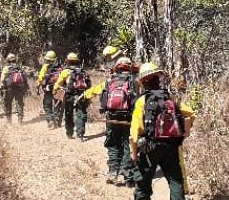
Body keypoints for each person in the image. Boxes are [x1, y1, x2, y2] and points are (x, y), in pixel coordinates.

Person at [130, 62, 195, 200]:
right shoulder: (171, 98)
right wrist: (183, 134)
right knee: (175, 181)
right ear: (158, 79)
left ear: (143, 82)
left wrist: (134, 154)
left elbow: (134, 134)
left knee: (143, 183)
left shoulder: (142, 101)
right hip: (171, 146)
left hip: (149, 147)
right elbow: (190, 114)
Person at [83, 56, 138, 186]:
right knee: (127, 145)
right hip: (128, 119)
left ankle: (113, 172)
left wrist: (83, 96)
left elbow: (98, 93)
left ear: (117, 67)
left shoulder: (109, 81)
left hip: (111, 118)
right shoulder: (135, 81)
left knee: (113, 144)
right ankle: (127, 175)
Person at [53, 52, 91, 141]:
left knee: (68, 114)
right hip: (82, 95)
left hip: (70, 95)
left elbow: (58, 83)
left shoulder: (66, 71)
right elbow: (88, 85)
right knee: (81, 114)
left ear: (68, 61)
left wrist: (55, 90)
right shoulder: (83, 71)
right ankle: (80, 134)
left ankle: (69, 133)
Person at [0, 53, 29, 124]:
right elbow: (24, 78)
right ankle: (20, 121)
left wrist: (1, 88)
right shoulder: (20, 68)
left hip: (9, 88)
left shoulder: (6, 68)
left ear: (8, 60)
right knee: (19, 104)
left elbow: (2, 79)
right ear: (15, 60)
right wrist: (26, 88)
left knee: (8, 103)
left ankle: (9, 121)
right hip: (19, 88)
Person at [37, 50, 63, 129]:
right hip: (58, 88)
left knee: (47, 104)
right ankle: (57, 120)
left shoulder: (45, 66)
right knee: (57, 104)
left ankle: (50, 120)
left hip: (48, 88)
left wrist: (38, 85)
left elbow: (40, 77)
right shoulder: (60, 67)